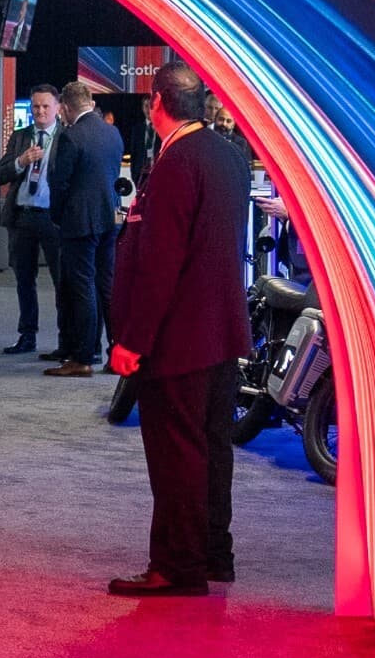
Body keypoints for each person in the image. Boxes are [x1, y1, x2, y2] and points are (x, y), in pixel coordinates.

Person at [107, 61, 251, 596]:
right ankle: (214, 553)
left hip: (179, 339)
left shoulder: (177, 162)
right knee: (212, 448)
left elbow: (161, 262)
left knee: (177, 453)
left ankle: (178, 566)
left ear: (157, 102)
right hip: (220, 332)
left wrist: (133, 341)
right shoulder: (229, 155)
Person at [43, 82, 123, 376]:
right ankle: (116, 352)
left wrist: (57, 216)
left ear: (64, 107)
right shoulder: (112, 132)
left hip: (79, 223)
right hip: (108, 221)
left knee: (82, 288)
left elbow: (60, 184)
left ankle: (83, 357)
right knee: (106, 286)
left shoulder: (72, 137)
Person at [0, 85, 64, 356]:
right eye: (36, 106)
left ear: (57, 107)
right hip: (22, 216)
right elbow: (0, 173)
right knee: (24, 279)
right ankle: (27, 335)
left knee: (61, 281)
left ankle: (64, 338)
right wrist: (21, 161)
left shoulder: (66, 136)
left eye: (46, 106)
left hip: (53, 218)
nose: (40, 111)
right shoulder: (21, 137)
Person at [205, 97, 254, 165]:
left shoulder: (241, 143)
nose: (224, 124)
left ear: (233, 124)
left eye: (228, 121)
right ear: (215, 119)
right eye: (221, 119)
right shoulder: (206, 137)